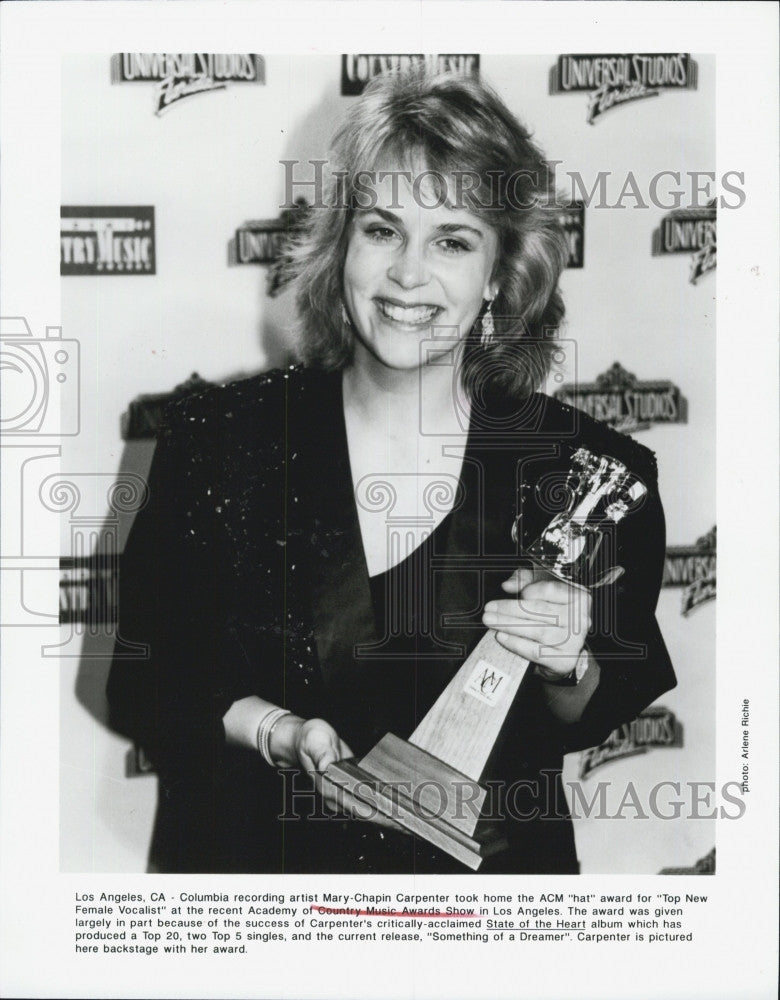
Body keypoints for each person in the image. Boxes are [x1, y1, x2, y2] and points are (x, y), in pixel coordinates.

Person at [107, 68, 675, 874]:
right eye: (382, 230)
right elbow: (147, 680)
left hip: (486, 917)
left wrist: (567, 657)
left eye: (452, 239)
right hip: (259, 893)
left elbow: (588, 714)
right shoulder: (218, 438)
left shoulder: (588, 472)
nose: (409, 273)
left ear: (501, 277)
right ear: (341, 247)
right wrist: (279, 732)